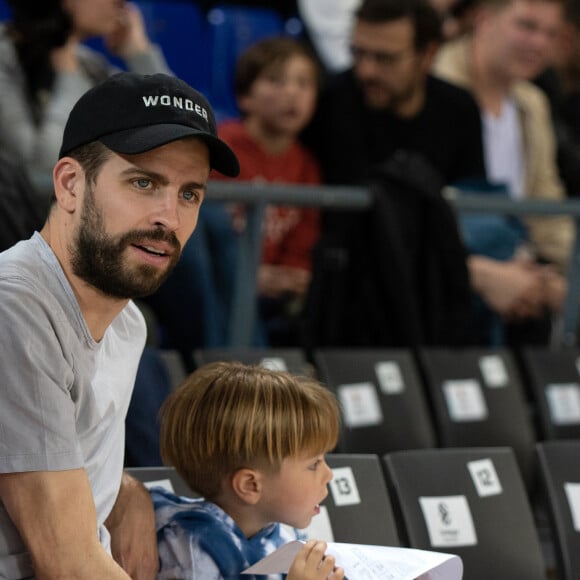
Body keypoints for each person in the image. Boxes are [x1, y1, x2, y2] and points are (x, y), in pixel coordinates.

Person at [0, 71, 240, 579]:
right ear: (70, 184)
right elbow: (68, 564)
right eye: (143, 182)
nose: (169, 218)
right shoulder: (13, 308)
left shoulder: (127, 321)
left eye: (189, 194)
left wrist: (126, 490)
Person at [432, 0, 573, 342]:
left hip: (519, 273)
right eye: (526, 26)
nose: (539, 43)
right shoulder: (434, 84)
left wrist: (564, 277)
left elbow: (547, 207)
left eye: (550, 33)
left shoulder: (533, 102)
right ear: (483, 20)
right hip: (444, 275)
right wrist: (489, 274)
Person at [152, 361, 344, 579]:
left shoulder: (281, 531)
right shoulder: (192, 553)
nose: (328, 474)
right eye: (313, 465)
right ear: (250, 485)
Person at [214, 36, 323, 346]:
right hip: (223, 287)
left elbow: (303, 241)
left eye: (304, 84)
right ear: (246, 96)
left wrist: (293, 273)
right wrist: (249, 276)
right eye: (276, 81)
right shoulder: (220, 147)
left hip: (274, 290)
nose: (292, 94)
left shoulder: (307, 165)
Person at [0, 0, 171, 173]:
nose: (122, 2)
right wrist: (69, 75)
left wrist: (138, 53)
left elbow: (182, 130)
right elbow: (42, 176)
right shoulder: (4, 58)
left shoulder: (88, 64)